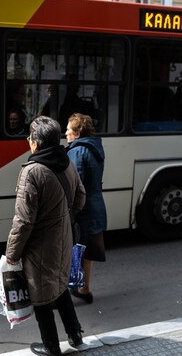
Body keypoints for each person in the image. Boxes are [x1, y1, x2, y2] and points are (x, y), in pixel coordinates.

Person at [6, 116, 86, 356]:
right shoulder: (67, 162)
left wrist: (11, 254)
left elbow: (23, 220)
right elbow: (80, 198)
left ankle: (51, 346)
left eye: (30, 137)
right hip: (65, 239)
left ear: (37, 143)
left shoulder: (32, 172)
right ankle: (75, 334)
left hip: (41, 246)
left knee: (41, 293)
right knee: (59, 286)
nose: (28, 141)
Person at [65, 113, 107, 304]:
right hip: (96, 206)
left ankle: (68, 291)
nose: (65, 133)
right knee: (86, 251)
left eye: (68, 129)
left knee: (73, 250)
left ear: (78, 132)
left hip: (82, 211)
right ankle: (84, 289)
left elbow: (76, 186)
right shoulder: (95, 147)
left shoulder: (77, 151)